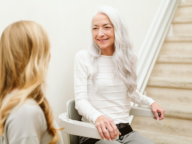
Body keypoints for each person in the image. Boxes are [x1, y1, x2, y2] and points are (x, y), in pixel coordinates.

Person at [74, 6, 165, 144]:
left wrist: (150, 102)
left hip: (125, 132)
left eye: (106, 27)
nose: (100, 34)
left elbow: (132, 92)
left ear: (118, 29)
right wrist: (98, 117)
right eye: (95, 28)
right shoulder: (83, 57)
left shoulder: (130, 58)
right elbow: (80, 101)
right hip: (95, 133)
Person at [0, 21, 64, 144]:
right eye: (45, 50)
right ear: (34, 58)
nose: (49, 56)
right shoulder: (25, 112)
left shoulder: (8, 100)